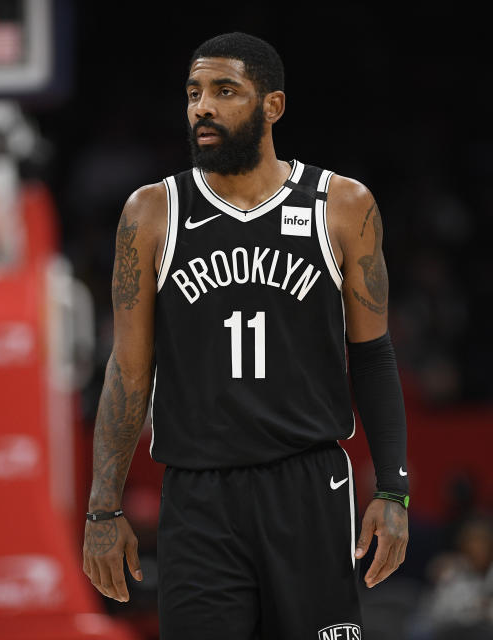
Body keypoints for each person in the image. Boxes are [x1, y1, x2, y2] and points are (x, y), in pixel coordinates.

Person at [81, 32, 410, 638]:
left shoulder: (341, 205)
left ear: (272, 106)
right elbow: (127, 370)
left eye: (224, 91)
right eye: (193, 92)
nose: (202, 106)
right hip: (198, 496)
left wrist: (394, 491)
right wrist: (104, 504)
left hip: (308, 485)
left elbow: (373, 355)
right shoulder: (152, 212)